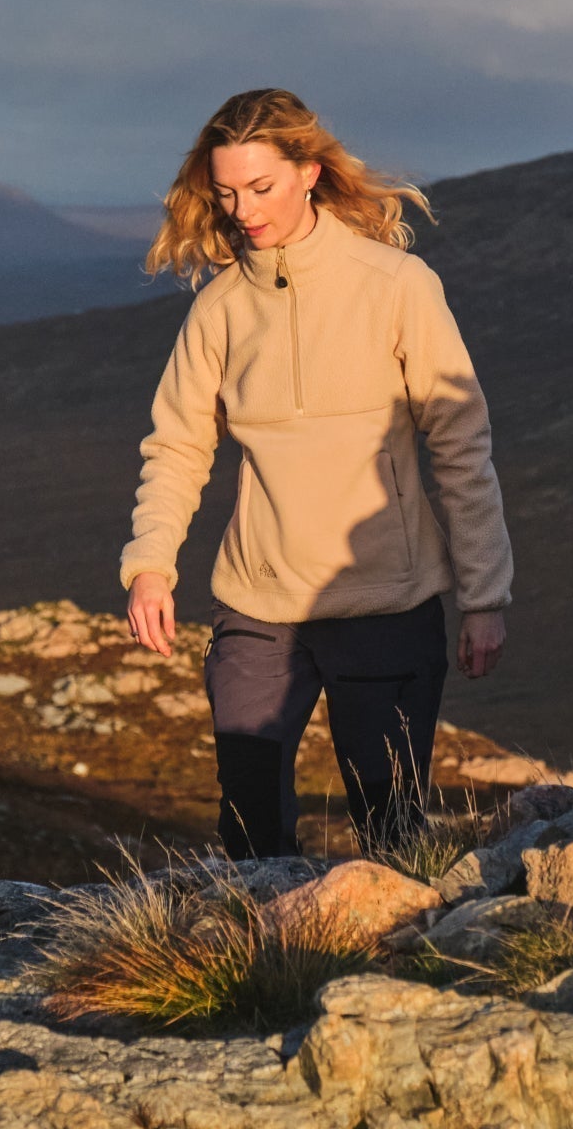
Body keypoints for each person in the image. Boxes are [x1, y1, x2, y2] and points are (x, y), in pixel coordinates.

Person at [119, 88, 513, 859]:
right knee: (249, 829)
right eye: (228, 192)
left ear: (309, 171)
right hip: (257, 608)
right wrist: (149, 567)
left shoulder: (398, 287)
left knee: (392, 833)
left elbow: (461, 443)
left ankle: (389, 971)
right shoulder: (221, 310)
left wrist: (485, 595)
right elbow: (176, 447)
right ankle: (263, 971)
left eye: (261, 187)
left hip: (386, 602)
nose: (243, 210)